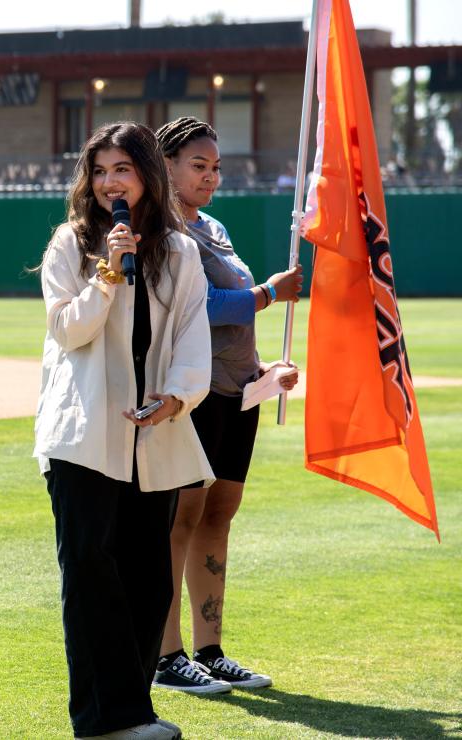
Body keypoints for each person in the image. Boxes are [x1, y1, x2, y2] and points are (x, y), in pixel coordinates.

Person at [34, 121, 214, 740]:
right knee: (89, 572)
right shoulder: (70, 244)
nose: (111, 183)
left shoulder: (181, 250)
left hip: (154, 433)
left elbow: (194, 338)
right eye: (101, 171)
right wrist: (108, 273)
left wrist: (177, 397)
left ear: (147, 177)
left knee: (146, 575)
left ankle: (132, 711)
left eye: (124, 170)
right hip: (82, 435)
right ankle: (102, 720)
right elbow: (70, 331)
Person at [153, 117, 302, 694]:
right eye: (199, 165)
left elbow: (232, 318)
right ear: (164, 165)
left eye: (216, 167)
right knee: (181, 521)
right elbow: (199, 307)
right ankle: (167, 657)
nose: (211, 177)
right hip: (195, 393)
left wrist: (263, 372)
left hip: (239, 392)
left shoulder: (211, 226)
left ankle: (210, 650)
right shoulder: (162, 230)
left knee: (219, 516)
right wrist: (266, 294)